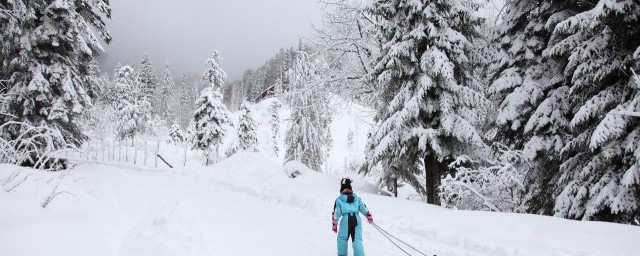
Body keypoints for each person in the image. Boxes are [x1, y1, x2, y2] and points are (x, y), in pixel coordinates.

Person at [331, 178, 373, 256]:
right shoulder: (356, 198)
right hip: (357, 219)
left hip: (346, 219)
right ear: (350, 188)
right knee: (357, 240)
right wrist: (368, 215)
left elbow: (336, 212)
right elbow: (363, 207)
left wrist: (335, 223)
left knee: (342, 238)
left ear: (341, 189)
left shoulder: (339, 200)